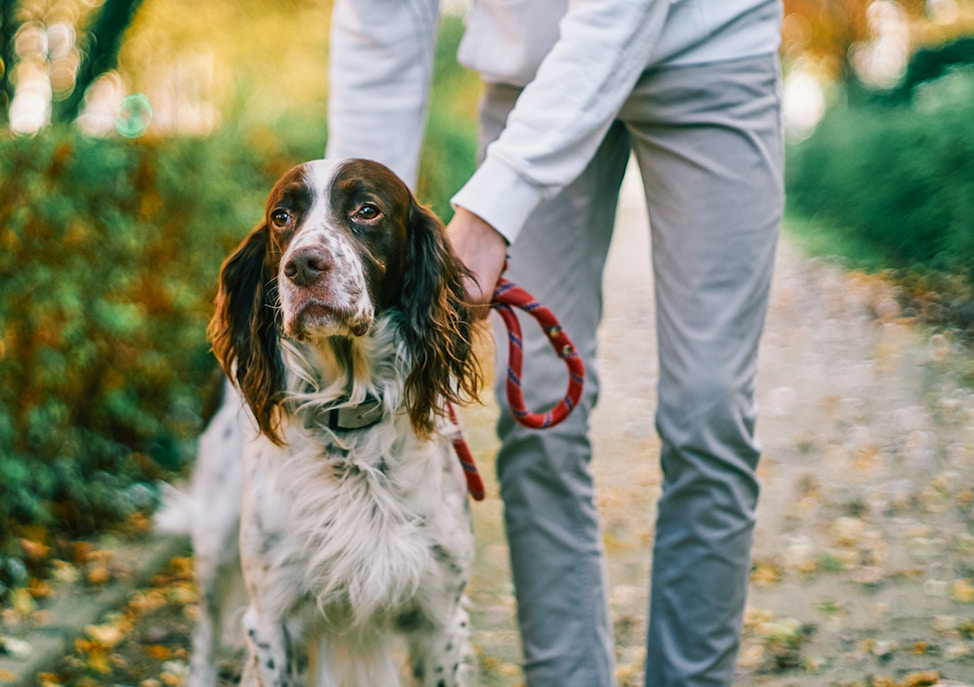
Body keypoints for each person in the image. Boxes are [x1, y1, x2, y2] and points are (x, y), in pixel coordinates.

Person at [324, 0, 785, 685]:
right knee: (537, 407)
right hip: (527, 75)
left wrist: (491, 212)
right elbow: (383, 19)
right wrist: (356, 231)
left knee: (708, 412)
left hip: (709, 53)